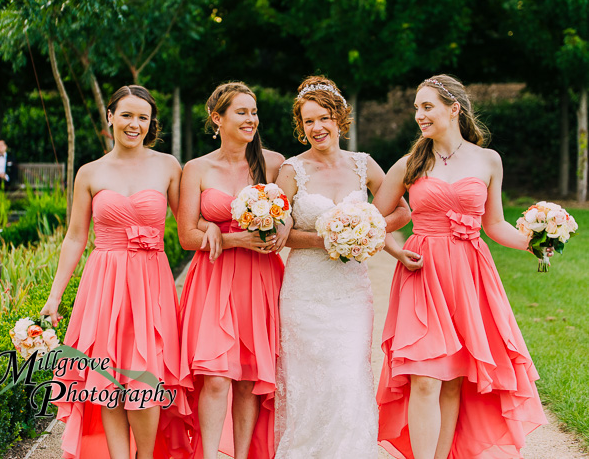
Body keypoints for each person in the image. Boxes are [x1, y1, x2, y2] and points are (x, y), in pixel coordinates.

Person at [373, 75, 547, 459]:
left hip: (470, 274)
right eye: (416, 108)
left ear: (454, 108)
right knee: (424, 377)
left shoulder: (488, 160)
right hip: (423, 274)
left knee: (453, 379)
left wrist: (535, 242)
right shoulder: (409, 163)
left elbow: (495, 224)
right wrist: (396, 251)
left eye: (427, 106)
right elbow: (371, 221)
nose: (419, 115)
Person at [40, 85, 190, 459]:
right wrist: (55, 296)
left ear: (151, 122)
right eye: (126, 115)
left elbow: (189, 229)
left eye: (143, 117)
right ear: (110, 116)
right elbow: (75, 238)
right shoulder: (90, 173)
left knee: (145, 382)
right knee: (106, 381)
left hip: (151, 285)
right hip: (104, 285)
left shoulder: (168, 166)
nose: (134, 124)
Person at [273, 76, 413, 458]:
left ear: (339, 118)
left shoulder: (363, 165)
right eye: (307, 122)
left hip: (351, 292)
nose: (316, 127)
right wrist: (326, 239)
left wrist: (367, 231)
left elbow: (401, 209)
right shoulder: (291, 171)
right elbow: (281, 232)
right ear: (301, 128)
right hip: (305, 292)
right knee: (309, 384)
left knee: (348, 377)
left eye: (323, 118)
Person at [177, 82, 286, 459]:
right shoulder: (197, 168)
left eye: (254, 112)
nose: (251, 119)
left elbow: (285, 221)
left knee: (248, 380)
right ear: (216, 118)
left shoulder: (273, 164)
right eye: (241, 112)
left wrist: (275, 235)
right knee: (217, 376)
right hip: (213, 277)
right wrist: (228, 237)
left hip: (259, 278)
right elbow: (186, 236)